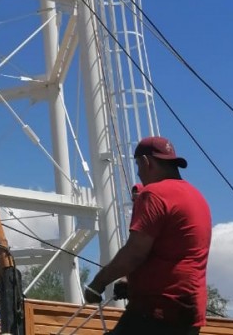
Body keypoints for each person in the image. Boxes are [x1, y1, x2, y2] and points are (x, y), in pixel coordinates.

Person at [83, 136, 211, 335]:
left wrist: (97, 284)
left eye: (138, 165)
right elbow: (175, 251)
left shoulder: (154, 194)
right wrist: (131, 283)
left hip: (158, 306)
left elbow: (134, 253)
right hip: (190, 310)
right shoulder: (197, 197)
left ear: (145, 162)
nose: (139, 173)